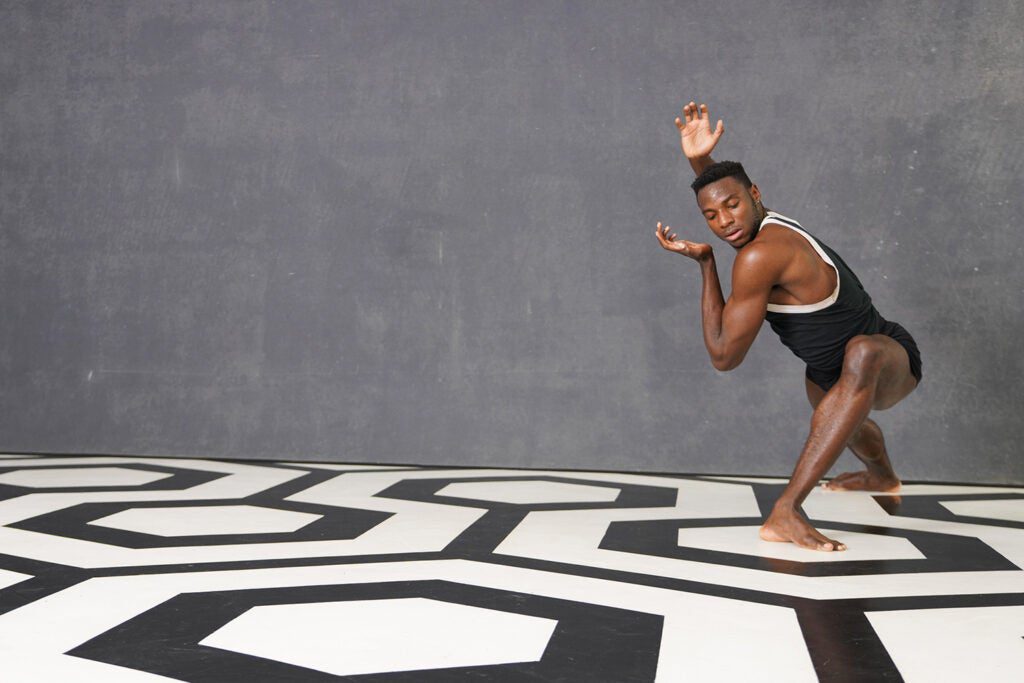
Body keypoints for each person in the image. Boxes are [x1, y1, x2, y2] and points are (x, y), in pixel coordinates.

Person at [655, 101, 923, 552]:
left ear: (756, 194)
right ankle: (882, 476)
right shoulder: (756, 223)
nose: (725, 223)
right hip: (827, 375)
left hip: (889, 357)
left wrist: (706, 267)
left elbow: (724, 356)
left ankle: (786, 511)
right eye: (711, 217)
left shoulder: (762, 254)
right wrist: (699, 162)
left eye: (733, 206)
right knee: (846, 422)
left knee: (861, 354)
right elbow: (724, 189)